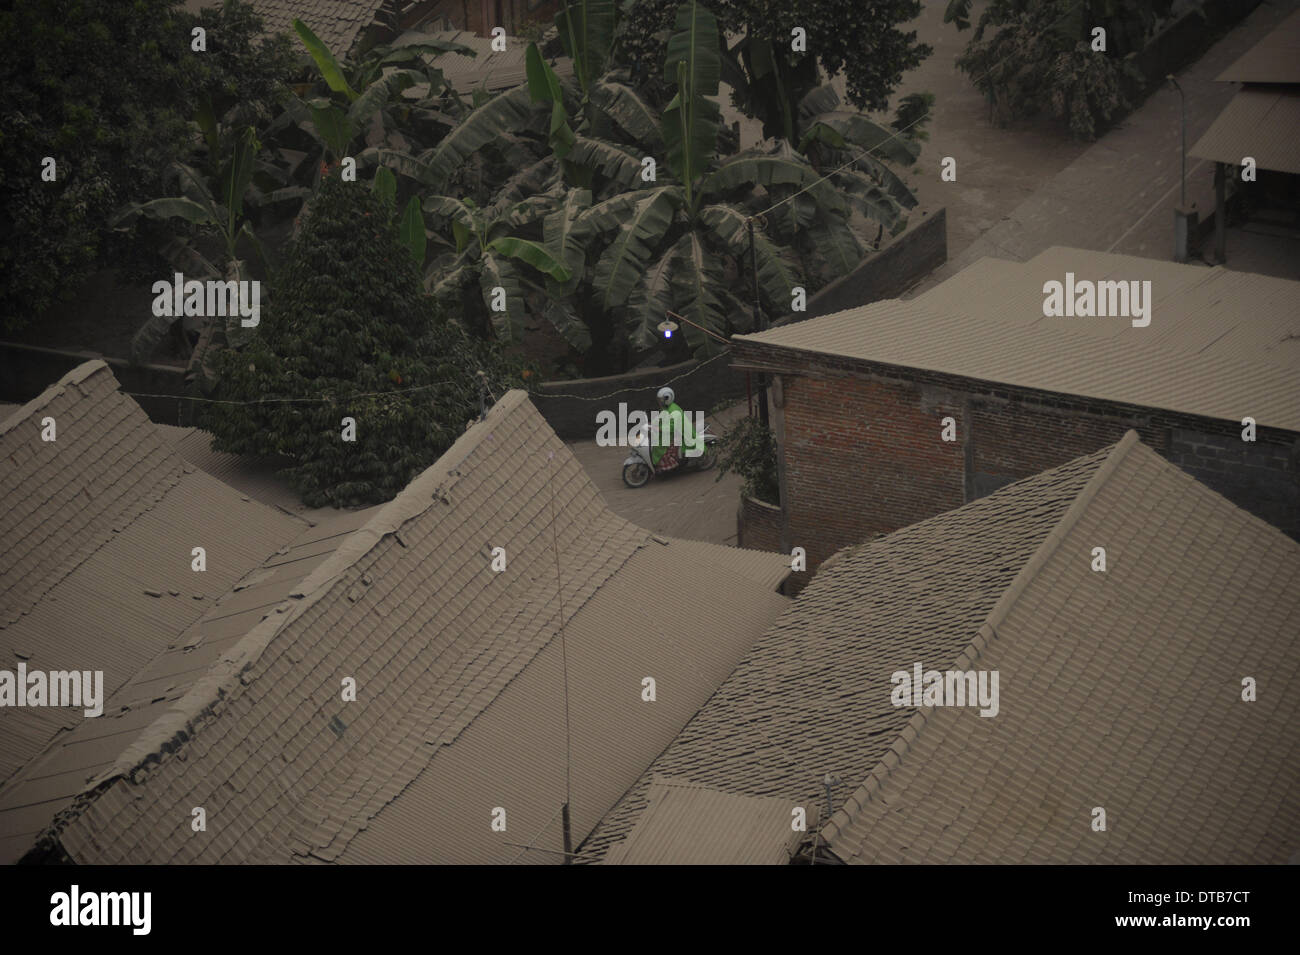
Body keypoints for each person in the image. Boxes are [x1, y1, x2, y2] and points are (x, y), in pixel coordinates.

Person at [650, 386, 696, 473]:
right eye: (658, 400)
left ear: (667, 399)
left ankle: (671, 467)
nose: (659, 402)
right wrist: (652, 423)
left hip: (679, 434)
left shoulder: (674, 410)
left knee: (664, 449)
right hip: (673, 433)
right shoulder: (666, 408)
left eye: (660, 400)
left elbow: (672, 426)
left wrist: (659, 428)